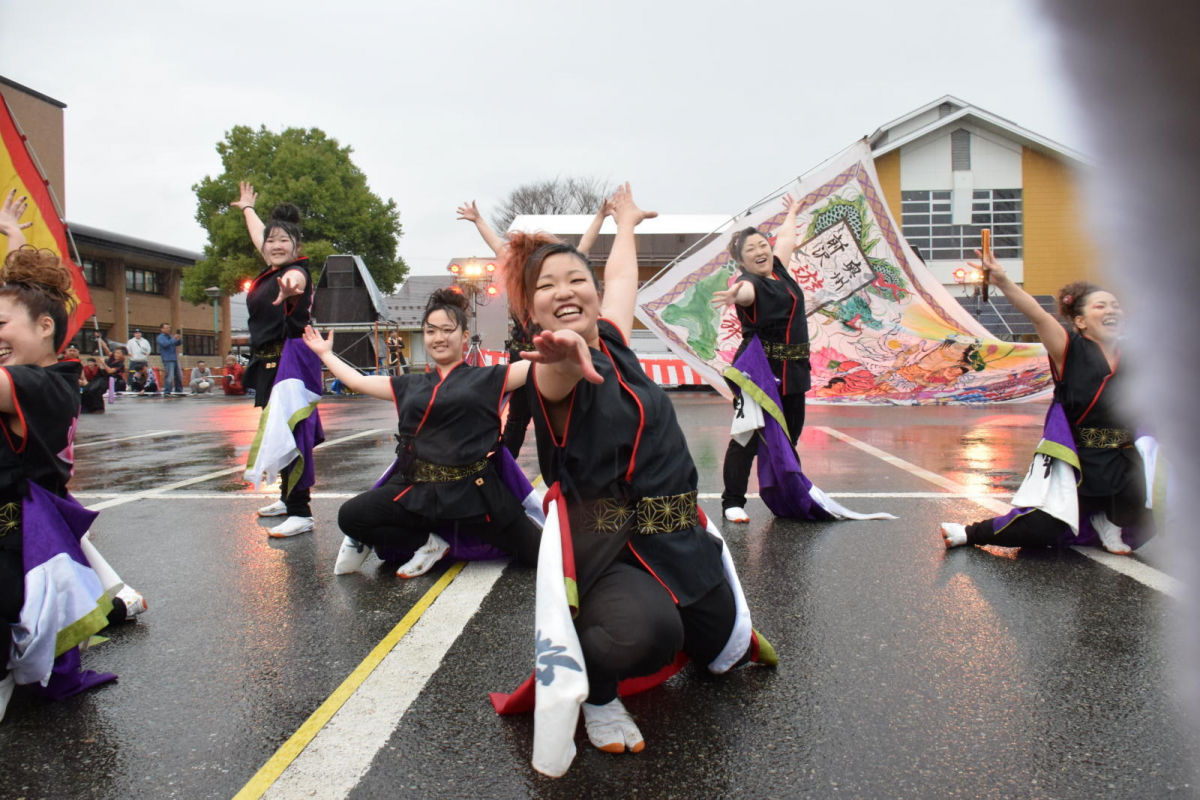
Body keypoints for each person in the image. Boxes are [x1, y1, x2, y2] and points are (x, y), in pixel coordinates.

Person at [505, 183, 774, 756]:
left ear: (595, 295)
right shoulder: (550, 370)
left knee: (721, 649)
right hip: (613, 549)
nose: (565, 291)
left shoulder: (613, 338)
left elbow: (623, 278)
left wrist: (624, 224)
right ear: (531, 310)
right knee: (648, 635)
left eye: (576, 280)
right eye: (546, 286)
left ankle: (697, 624)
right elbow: (555, 378)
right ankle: (598, 693)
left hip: (678, 538)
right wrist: (560, 362)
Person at [307, 288, 540, 578]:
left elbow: (538, 368)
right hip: (417, 492)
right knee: (352, 516)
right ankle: (428, 544)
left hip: (476, 495)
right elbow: (357, 380)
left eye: (447, 330)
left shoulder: (490, 377)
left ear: (465, 337)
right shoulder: (409, 385)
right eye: (430, 331)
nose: (438, 338)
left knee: (539, 555)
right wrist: (326, 354)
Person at [0, 217, 129, 720]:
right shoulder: (40, 370)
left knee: (51, 607)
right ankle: (116, 603)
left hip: (22, 534)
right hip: (37, 524)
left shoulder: (41, 385)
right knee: (76, 597)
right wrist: (16, 240)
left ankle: (116, 605)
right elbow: (26, 304)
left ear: (46, 327)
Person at [940, 252, 1147, 554]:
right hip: (1078, 461)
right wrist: (1003, 280)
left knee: (1163, 487)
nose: (1111, 309)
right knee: (1043, 529)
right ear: (1080, 321)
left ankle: (1110, 519)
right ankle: (970, 533)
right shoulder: (1070, 348)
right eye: (1100, 305)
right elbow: (1037, 314)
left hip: (1122, 462)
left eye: (1115, 305)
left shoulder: (1136, 355)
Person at [457, 198, 611, 457]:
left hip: (556, 354)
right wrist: (477, 219)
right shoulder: (521, 276)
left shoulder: (557, 271)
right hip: (524, 357)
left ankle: (573, 467)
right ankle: (502, 471)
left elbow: (584, 245)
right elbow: (498, 246)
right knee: (518, 417)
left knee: (563, 413)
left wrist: (600, 215)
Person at [711, 195, 810, 523]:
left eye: (761, 244)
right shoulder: (749, 282)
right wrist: (733, 293)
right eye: (750, 250)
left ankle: (785, 494)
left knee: (788, 437)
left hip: (793, 371)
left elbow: (785, 240)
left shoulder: (778, 270)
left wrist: (792, 212)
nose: (760, 251)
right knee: (747, 437)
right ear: (742, 261)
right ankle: (732, 502)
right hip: (759, 373)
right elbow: (744, 292)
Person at [231, 182, 321, 537]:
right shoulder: (269, 267)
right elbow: (258, 234)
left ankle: (302, 510)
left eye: (284, 240)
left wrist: (291, 288)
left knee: (293, 435)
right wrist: (247, 208)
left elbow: (295, 279)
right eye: (272, 241)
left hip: (292, 362)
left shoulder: (295, 272)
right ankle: (287, 499)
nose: (275, 245)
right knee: (276, 432)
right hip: (270, 363)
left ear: (296, 247)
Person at [156, 322, 183, 395]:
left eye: (169, 328)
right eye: (167, 328)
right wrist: (174, 339)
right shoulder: (160, 337)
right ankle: (167, 391)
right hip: (167, 359)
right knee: (169, 376)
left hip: (174, 358)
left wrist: (179, 339)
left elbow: (176, 343)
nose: (169, 329)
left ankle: (179, 390)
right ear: (162, 329)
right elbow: (165, 344)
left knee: (178, 375)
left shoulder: (170, 336)